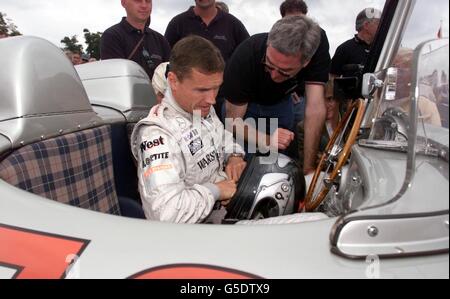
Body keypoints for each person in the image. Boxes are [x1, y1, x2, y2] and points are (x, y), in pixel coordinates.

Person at [131, 36, 247, 224]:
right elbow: (166, 214)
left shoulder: (200, 108)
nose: (212, 100)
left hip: (227, 213)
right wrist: (216, 191)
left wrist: (234, 156)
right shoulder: (157, 134)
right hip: (194, 237)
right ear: (173, 81)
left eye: (216, 88)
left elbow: (222, 137)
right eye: (202, 90)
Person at [220, 15, 330, 174]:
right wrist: (267, 140)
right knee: (245, 169)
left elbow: (315, 109)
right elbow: (232, 122)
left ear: (306, 62)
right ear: (268, 45)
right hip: (244, 109)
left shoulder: (317, 45)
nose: (274, 76)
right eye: (269, 65)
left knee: (274, 168)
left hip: (280, 104)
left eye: (285, 72)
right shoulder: (245, 56)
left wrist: (309, 169)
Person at [278, 0, 332, 137]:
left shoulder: (318, 36)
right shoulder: (276, 36)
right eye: (291, 21)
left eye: (300, 20)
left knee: (301, 134)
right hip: (277, 98)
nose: (296, 26)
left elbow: (321, 73)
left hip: (305, 97)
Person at [101, 0, 170, 80]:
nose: (144, 5)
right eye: (138, 0)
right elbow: (115, 78)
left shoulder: (160, 40)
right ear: (123, 2)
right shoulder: (112, 36)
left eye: (148, 1)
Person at [164, 0, 249, 62]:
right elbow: (165, 60)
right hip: (187, 85)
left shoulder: (233, 24)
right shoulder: (177, 23)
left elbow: (248, 58)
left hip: (225, 86)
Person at [331, 8, 382, 77]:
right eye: (378, 23)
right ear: (366, 25)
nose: (381, 26)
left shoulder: (382, 49)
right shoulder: (344, 48)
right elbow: (332, 77)